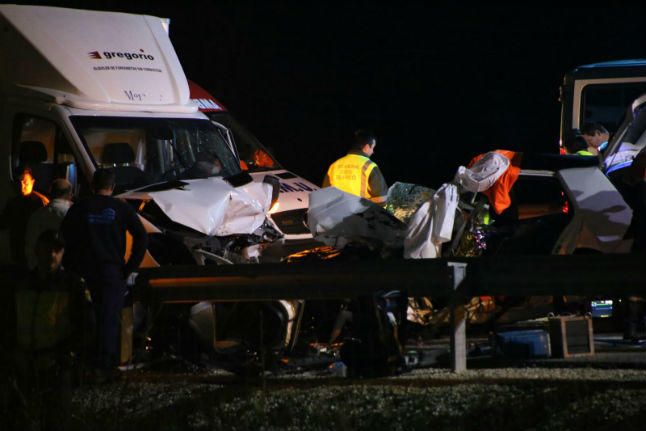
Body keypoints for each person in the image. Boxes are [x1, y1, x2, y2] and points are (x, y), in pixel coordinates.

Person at [61, 168, 147, 375]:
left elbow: (64, 236)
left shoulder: (80, 207)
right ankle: (106, 364)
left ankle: (83, 362)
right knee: (109, 317)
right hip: (111, 272)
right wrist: (128, 268)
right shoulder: (121, 208)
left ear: (92, 186)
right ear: (113, 187)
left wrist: (71, 266)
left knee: (84, 316)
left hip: (83, 271)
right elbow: (142, 237)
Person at [9, 230, 88, 430]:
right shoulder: (21, 283)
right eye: (47, 249)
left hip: (56, 367)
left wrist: (63, 355)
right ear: (37, 251)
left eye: (57, 250)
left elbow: (86, 327)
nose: (52, 255)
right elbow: (10, 321)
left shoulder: (72, 285)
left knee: (56, 421)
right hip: (24, 365)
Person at [323, 129, 388, 205]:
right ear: (366, 147)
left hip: (334, 214)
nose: (373, 151)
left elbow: (324, 194)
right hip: (357, 215)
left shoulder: (334, 165)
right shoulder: (369, 166)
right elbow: (381, 199)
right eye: (372, 148)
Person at [0, 168, 48, 268]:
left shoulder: (40, 201)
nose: (22, 186)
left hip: (35, 251)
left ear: (32, 182)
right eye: (20, 182)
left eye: (25, 182)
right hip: (18, 251)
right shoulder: (13, 202)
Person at [24, 178, 74, 270]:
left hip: (39, 271)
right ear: (70, 195)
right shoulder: (71, 215)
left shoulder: (36, 215)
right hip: (63, 272)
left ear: (50, 194)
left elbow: (29, 246)